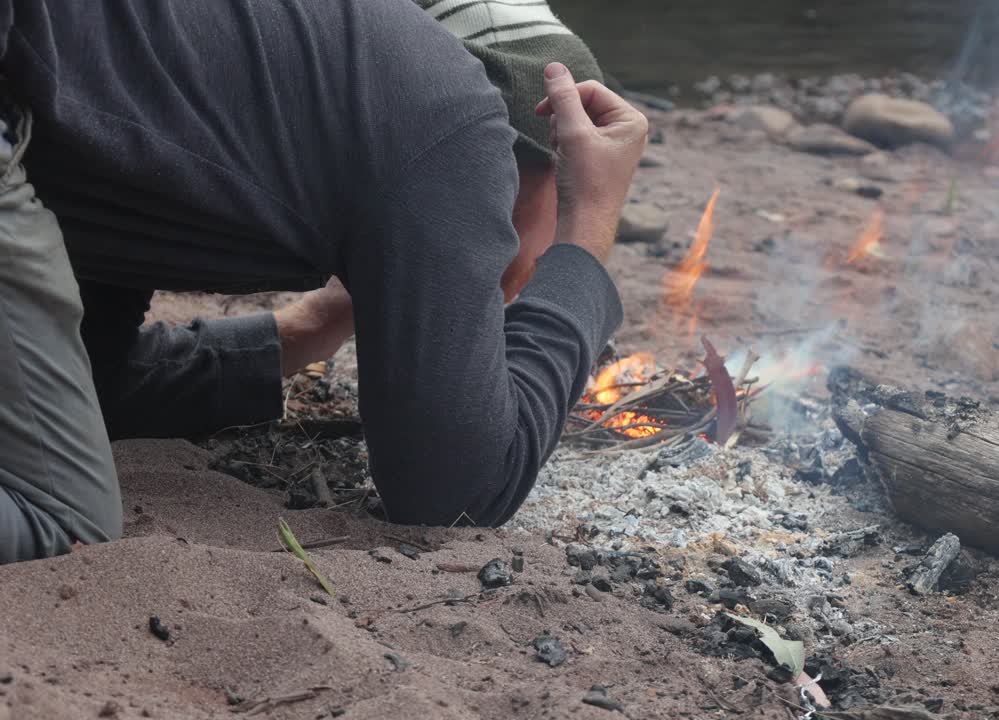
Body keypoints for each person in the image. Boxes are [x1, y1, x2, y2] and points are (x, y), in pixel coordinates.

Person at [0, 0, 648, 564]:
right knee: (65, 517)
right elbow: (455, 494)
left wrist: (301, 332)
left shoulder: (234, 79)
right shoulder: (461, 120)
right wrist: (588, 226)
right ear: (532, 159)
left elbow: (91, 382)